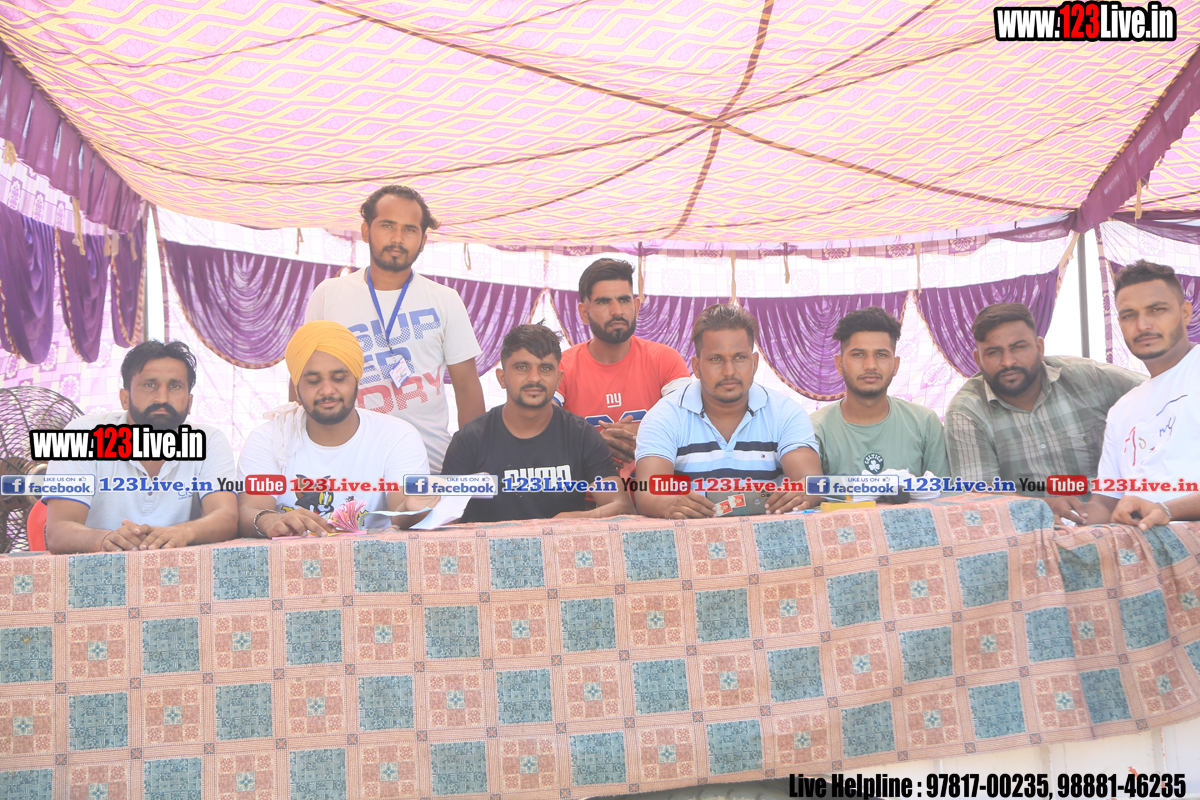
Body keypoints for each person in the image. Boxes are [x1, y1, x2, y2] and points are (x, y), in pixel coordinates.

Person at [304, 184, 485, 473]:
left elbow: (467, 388)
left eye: (410, 230)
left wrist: (472, 467)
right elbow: (303, 377)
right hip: (347, 466)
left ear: (423, 241)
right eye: (387, 225)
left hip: (428, 466)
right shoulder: (329, 294)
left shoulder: (445, 300)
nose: (397, 238)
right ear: (366, 231)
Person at [944, 302, 1143, 524]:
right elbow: (981, 497)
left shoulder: (1089, 378)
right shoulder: (966, 411)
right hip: (1029, 530)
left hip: (1113, 520)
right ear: (978, 360)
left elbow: (1161, 393)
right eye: (994, 352)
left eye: (1018, 347)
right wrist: (1043, 506)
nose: (1008, 362)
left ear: (1039, 348)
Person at [238, 321, 433, 538]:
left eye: (339, 379)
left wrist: (414, 507)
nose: (327, 390)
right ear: (297, 388)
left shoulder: (396, 437)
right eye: (313, 381)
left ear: (357, 380)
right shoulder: (270, 439)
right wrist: (268, 520)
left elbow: (401, 512)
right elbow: (249, 509)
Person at [44, 341, 237, 552]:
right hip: (99, 566)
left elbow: (226, 517)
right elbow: (58, 531)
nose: (162, 398)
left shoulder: (210, 441)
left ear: (190, 402)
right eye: (149, 385)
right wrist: (106, 539)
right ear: (125, 398)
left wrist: (183, 532)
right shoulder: (81, 434)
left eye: (175, 386)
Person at [633, 303, 821, 518]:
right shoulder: (664, 416)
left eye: (740, 357)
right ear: (696, 367)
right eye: (716, 359)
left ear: (755, 362)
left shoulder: (785, 412)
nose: (729, 371)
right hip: (690, 535)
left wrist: (804, 492)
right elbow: (648, 493)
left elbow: (811, 482)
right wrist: (666, 504)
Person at [440, 324, 632, 523]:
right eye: (522, 367)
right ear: (502, 378)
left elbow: (621, 506)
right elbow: (444, 516)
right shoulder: (470, 440)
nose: (534, 378)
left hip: (562, 542)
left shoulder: (581, 436)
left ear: (558, 379)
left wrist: (571, 520)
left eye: (545, 368)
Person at [1084, 261, 1199, 529]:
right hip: (1140, 548)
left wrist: (1167, 510)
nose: (1142, 325)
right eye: (1129, 315)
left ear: (1185, 312)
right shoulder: (1122, 410)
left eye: (1156, 310)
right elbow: (1106, 503)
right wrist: (1070, 516)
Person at [555, 258, 690, 477]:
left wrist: (645, 433)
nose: (617, 311)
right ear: (584, 312)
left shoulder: (665, 359)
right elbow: (539, 428)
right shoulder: (561, 365)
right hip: (584, 495)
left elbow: (692, 424)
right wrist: (593, 444)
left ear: (635, 306)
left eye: (624, 300)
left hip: (654, 493)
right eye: (603, 302)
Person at [810, 307, 951, 491]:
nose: (870, 365)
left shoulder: (925, 424)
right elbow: (808, 497)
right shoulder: (815, 430)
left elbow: (945, 496)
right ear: (839, 364)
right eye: (858, 355)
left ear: (896, 365)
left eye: (881, 355)